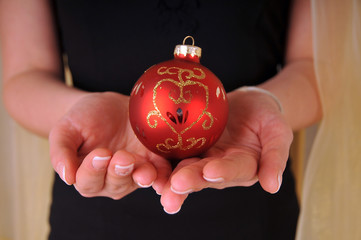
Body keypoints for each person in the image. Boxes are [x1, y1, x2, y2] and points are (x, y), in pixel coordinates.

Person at [0, 0, 322, 239]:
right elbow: (25, 75)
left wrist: (266, 102)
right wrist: (81, 112)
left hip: (252, 215)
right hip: (94, 211)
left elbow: (317, 68)